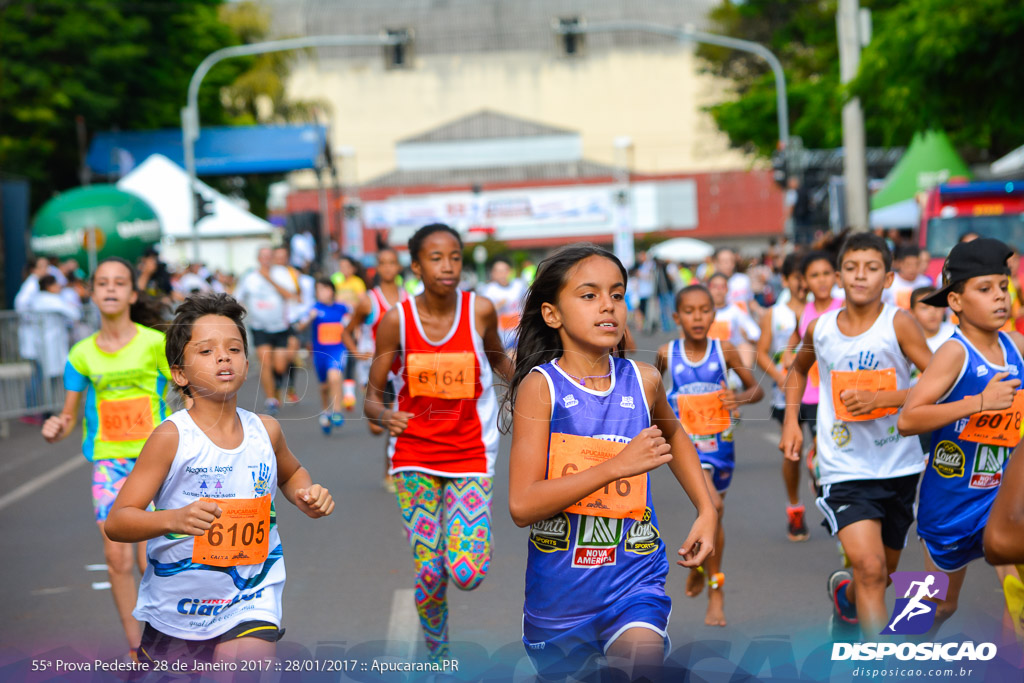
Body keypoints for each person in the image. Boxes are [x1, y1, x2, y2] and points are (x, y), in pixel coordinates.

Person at [506, 244, 716, 681]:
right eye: (589, 295)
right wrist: (615, 466)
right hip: (560, 600)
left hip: (633, 582)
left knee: (643, 667)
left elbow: (674, 435)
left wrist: (706, 509)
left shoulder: (644, 381)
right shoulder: (540, 388)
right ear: (552, 315)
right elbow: (523, 505)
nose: (608, 305)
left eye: (617, 294)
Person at [104, 293, 333, 667]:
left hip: (251, 596)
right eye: (206, 352)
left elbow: (291, 473)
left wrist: (305, 494)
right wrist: (173, 519)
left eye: (233, 348)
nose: (223, 357)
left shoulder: (266, 430)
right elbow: (118, 520)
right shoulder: (171, 437)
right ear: (180, 373)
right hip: (178, 606)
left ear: (246, 362)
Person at [363, 223, 511, 661]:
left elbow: (502, 362)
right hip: (413, 453)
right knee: (429, 573)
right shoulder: (397, 321)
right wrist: (384, 414)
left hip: (470, 451)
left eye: (455, 257)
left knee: (466, 571)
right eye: (435, 258)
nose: (447, 267)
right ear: (415, 265)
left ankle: (472, 536)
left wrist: (543, 383)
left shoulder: (479, 311)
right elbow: (373, 395)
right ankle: (439, 653)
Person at [780, 232, 932, 638]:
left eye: (871, 268)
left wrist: (887, 397)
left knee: (884, 572)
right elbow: (796, 372)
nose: (860, 276)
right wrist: (793, 421)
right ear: (838, 276)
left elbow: (939, 380)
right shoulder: (821, 328)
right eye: (850, 268)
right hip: (842, 467)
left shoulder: (899, 323)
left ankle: (845, 598)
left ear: (888, 278)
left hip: (898, 464)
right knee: (870, 568)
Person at [40, 256, 173, 659]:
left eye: (119, 282)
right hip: (109, 463)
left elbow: (187, 387)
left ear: (133, 293)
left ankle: (170, 634)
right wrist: (57, 427)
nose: (111, 288)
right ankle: (138, 649)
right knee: (116, 553)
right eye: (102, 283)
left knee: (150, 553)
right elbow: (67, 414)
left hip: (155, 462)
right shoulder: (81, 354)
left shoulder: (155, 345)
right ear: (93, 294)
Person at [898, 238, 1024, 632]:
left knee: (1015, 589)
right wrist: (979, 402)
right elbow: (908, 419)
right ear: (955, 301)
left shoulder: (1017, 346)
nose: (999, 298)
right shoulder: (955, 353)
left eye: (1002, 287)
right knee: (933, 609)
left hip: (1002, 498)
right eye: (984, 289)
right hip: (951, 501)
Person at [656, 283, 763, 627]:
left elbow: (756, 389)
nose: (697, 317)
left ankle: (703, 567)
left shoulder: (725, 349)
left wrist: (740, 399)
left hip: (722, 448)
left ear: (713, 314)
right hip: (687, 449)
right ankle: (716, 594)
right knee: (712, 507)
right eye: (689, 311)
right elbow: (649, 393)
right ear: (677, 317)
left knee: (716, 516)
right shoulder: (666, 354)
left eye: (704, 310)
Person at [756, 253, 812, 541]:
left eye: (808, 277)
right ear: (787, 280)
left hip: (822, 393)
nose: (803, 283)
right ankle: (795, 507)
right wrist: (780, 377)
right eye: (798, 278)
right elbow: (761, 352)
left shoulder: (826, 309)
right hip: (786, 393)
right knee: (792, 451)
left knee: (821, 453)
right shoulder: (775, 314)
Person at [342, 248, 408, 492]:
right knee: (377, 427)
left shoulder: (408, 297)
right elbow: (346, 332)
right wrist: (357, 352)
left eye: (392, 263)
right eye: (383, 263)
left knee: (394, 420)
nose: (388, 267)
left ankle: (390, 472)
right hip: (373, 368)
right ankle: (390, 467)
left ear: (399, 267)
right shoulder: (368, 300)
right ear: (377, 268)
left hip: (399, 370)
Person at [784, 251, 843, 496]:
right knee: (824, 443)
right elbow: (789, 349)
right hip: (811, 395)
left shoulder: (845, 307)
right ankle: (819, 470)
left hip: (841, 391)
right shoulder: (802, 313)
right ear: (805, 281)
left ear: (836, 277)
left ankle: (823, 471)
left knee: (837, 445)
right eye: (814, 275)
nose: (821, 280)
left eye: (826, 274)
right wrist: (789, 360)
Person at [233, 247, 298, 415]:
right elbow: (237, 298)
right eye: (263, 256)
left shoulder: (282, 273)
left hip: (280, 327)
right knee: (265, 363)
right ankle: (271, 400)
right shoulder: (249, 278)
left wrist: (270, 279)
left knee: (280, 365)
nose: (266, 259)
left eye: (269, 256)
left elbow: (290, 295)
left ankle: (277, 384)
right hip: (260, 327)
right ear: (258, 259)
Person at [296, 278, 351, 435]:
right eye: (318, 290)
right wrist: (310, 318)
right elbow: (300, 326)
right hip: (320, 353)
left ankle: (337, 411)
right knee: (324, 386)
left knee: (335, 377)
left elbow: (352, 324)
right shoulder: (314, 308)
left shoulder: (342, 308)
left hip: (337, 350)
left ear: (332, 290)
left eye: (324, 289)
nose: (322, 293)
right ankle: (326, 410)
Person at [333, 255, 368, 411]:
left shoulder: (357, 283)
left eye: (347, 266)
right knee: (340, 358)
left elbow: (362, 303)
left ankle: (350, 393)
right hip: (337, 325)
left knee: (352, 358)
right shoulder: (336, 281)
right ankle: (347, 392)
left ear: (353, 268)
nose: (344, 269)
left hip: (352, 324)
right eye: (341, 266)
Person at [705, 272, 760, 371]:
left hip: (731, 365)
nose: (718, 291)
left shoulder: (735, 310)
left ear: (728, 289)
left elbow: (754, 332)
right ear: (708, 288)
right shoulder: (702, 312)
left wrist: (746, 339)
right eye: (715, 286)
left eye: (722, 287)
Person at [480, 256, 527, 351]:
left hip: (519, 334)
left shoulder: (519, 286)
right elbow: (482, 313)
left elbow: (529, 303)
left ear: (510, 272)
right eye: (498, 271)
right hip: (501, 337)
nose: (502, 274)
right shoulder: (488, 291)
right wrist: (496, 306)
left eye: (504, 271)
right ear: (493, 274)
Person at [884, 245, 933, 309]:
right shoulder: (889, 281)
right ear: (900, 264)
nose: (912, 269)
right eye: (909, 265)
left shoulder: (926, 283)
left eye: (916, 264)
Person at [909, 287, 955, 354]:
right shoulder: (908, 341)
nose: (932, 312)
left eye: (937, 306)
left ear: (944, 309)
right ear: (912, 313)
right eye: (925, 308)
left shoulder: (955, 333)